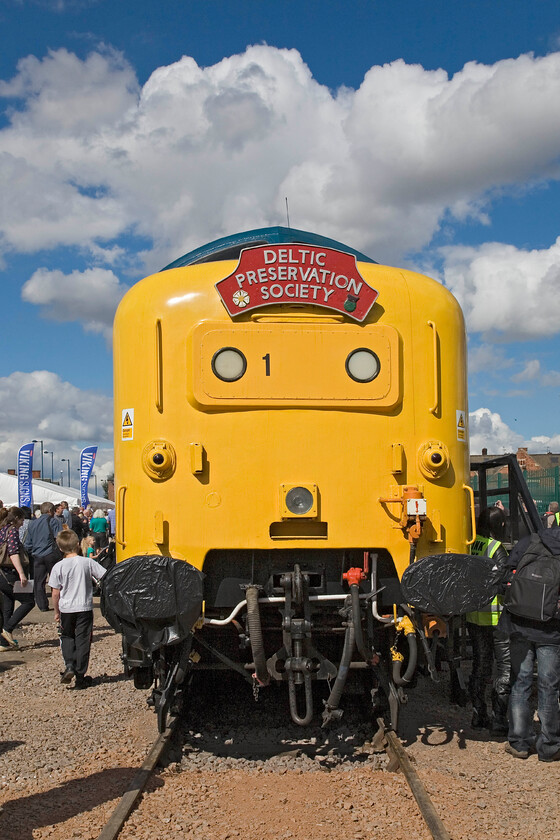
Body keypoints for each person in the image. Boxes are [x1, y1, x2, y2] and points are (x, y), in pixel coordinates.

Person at [498, 528, 560, 762]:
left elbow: (505, 577)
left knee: (520, 683)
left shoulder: (529, 541)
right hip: (552, 630)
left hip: (519, 625)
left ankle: (519, 743)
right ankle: (549, 746)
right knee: (549, 687)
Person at [465, 506, 510, 733]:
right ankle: (499, 719)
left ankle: (478, 714)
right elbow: (505, 582)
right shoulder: (496, 548)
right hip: (496, 618)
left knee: (480, 668)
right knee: (504, 669)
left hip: (474, 617)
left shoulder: (471, 544)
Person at [49, 529, 107, 689]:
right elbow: (104, 575)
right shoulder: (86, 562)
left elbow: (55, 592)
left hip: (66, 608)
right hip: (84, 607)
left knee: (67, 636)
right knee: (83, 639)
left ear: (60, 548)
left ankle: (69, 665)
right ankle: (80, 675)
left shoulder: (58, 567)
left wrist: (56, 612)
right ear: (77, 544)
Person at [0, 507, 34, 648]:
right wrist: (21, 573)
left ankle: (4, 643)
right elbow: (13, 552)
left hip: (1, 573)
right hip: (10, 573)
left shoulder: (2, 529)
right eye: (22, 519)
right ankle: (7, 629)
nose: (22, 523)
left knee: (8, 606)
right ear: (17, 519)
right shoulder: (12, 531)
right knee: (29, 602)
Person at [24, 501, 62, 611]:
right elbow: (59, 538)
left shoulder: (32, 523)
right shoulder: (54, 521)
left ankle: (42, 605)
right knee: (57, 580)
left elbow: (28, 543)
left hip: (37, 555)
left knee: (39, 582)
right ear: (50, 511)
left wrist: (33, 552)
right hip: (51, 553)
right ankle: (59, 603)